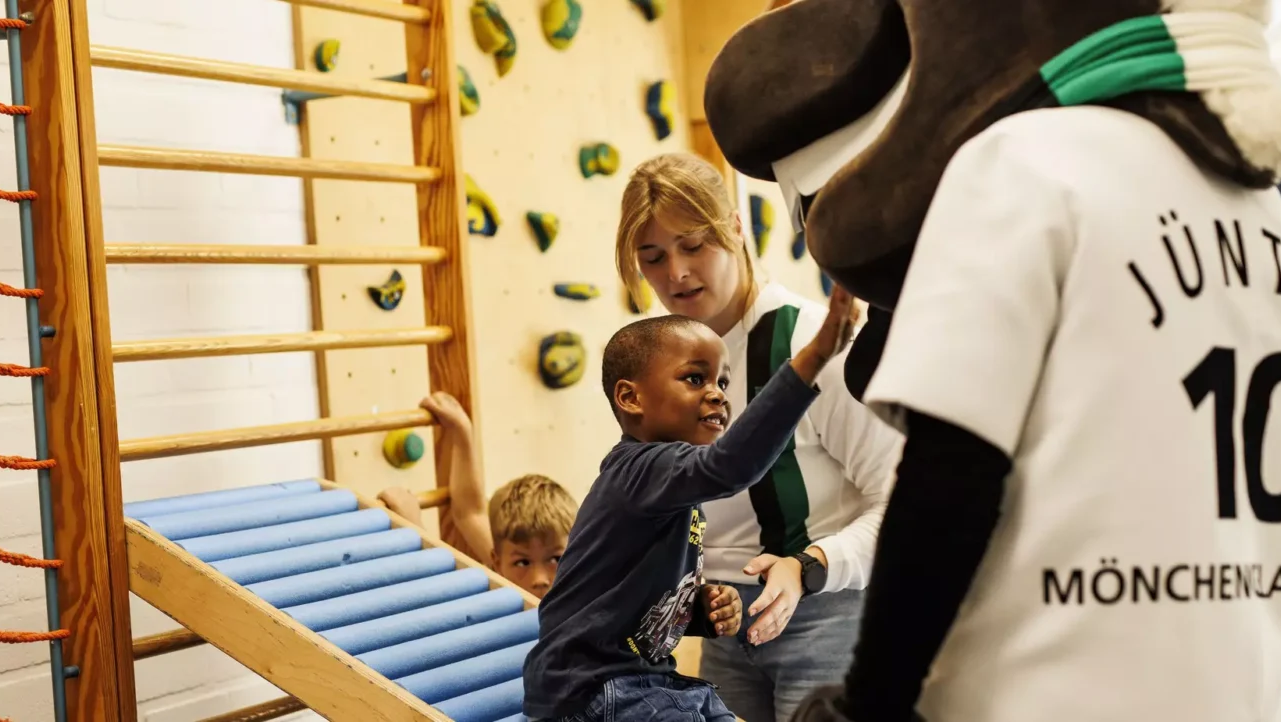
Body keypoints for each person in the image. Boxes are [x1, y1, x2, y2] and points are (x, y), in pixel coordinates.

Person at [700, 0, 1281, 720]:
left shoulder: (1027, 162)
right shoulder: (1274, 225)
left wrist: (869, 702)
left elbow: (951, 475)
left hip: (1057, 688)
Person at [614, 152, 900, 722]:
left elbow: (902, 503)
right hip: (717, 624)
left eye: (694, 245)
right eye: (653, 257)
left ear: (736, 228)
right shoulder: (653, 365)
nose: (675, 273)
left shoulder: (816, 342)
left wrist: (810, 566)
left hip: (829, 616)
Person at [522, 292, 858, 722]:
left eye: (722, 381)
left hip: (650, 682)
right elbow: (732, 465)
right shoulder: (639, 470)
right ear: (631, 398)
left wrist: (698, 608)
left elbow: (626, 603)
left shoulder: (668, 489)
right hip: (592, 688)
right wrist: (812, 360)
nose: (718, 395)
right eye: (695, 379)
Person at [378, 392, 577, 598]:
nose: (539, 580)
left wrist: (415, 527)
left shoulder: (580, 597)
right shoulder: (507, 573)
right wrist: (462, 431)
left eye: (555, 559)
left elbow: (447, 596)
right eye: (523, 562)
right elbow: (470, 513)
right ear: (497, 564)